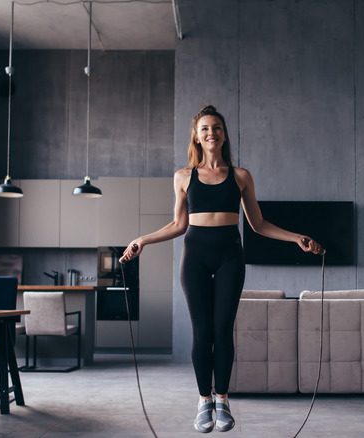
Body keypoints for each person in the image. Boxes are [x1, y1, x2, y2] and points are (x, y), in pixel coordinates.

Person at [121, 105, 324, 433]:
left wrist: (295, 238)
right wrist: (142, 240)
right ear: (196, 137)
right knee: (202, 333)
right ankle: (203, 401)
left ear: (224, 134)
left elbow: (257, 224)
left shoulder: (241, 176)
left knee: (222, 330)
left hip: (231, 257)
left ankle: (222, 399)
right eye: (204, 128)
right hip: (195, 258)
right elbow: (177, 224)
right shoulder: (183, 177)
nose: (211, 133)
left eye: (216, 127)